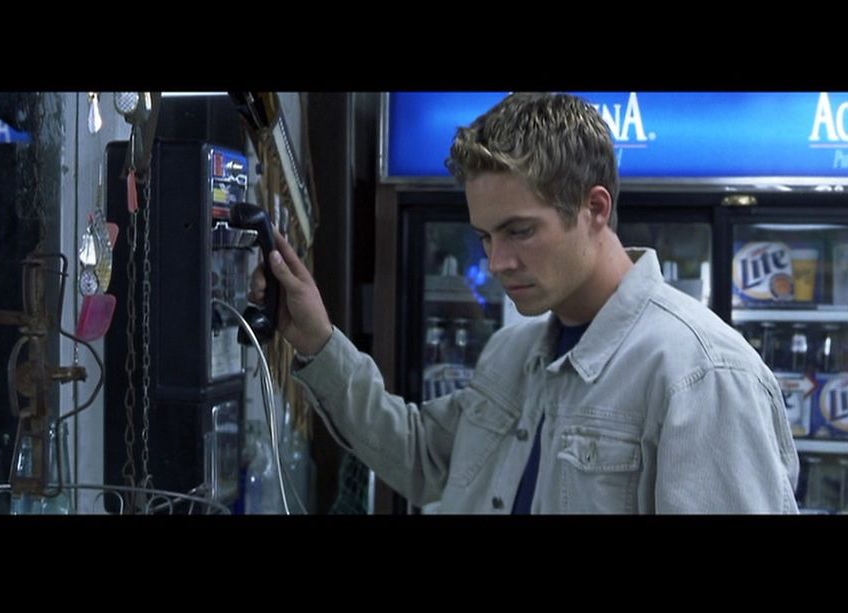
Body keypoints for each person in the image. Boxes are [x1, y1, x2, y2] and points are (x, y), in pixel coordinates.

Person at [251, 92, 799, 513]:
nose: (496, 262)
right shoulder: (510, 353)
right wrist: (319, 341)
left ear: (595, 209)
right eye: (485, 236)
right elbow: (422, 456)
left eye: (519, 231)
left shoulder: (702, 376)